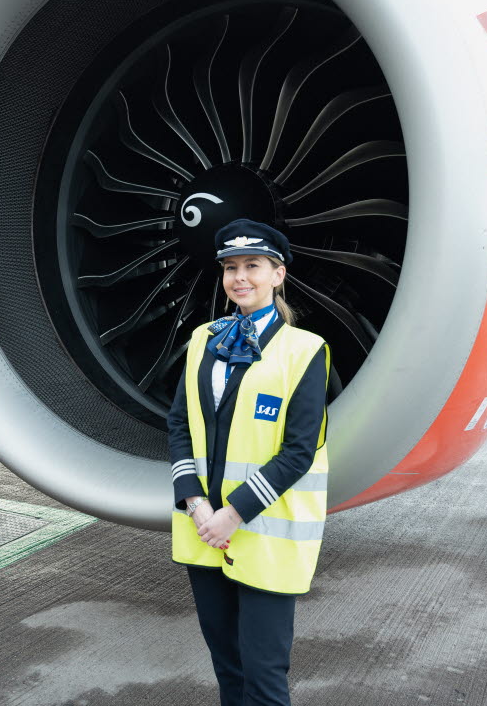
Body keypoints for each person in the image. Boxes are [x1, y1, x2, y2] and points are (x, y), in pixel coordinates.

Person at [169, 218, 331, 706]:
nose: (241, 277)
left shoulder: (305, 351)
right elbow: (179, 423)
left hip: (264, 536)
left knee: (263, 678)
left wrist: (231, 513)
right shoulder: (204, 339)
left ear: (277, 274)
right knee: (229, 670)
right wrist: (196, 504)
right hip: (203, 533)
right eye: (231, 267)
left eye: (254, 266)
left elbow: (300, 451)